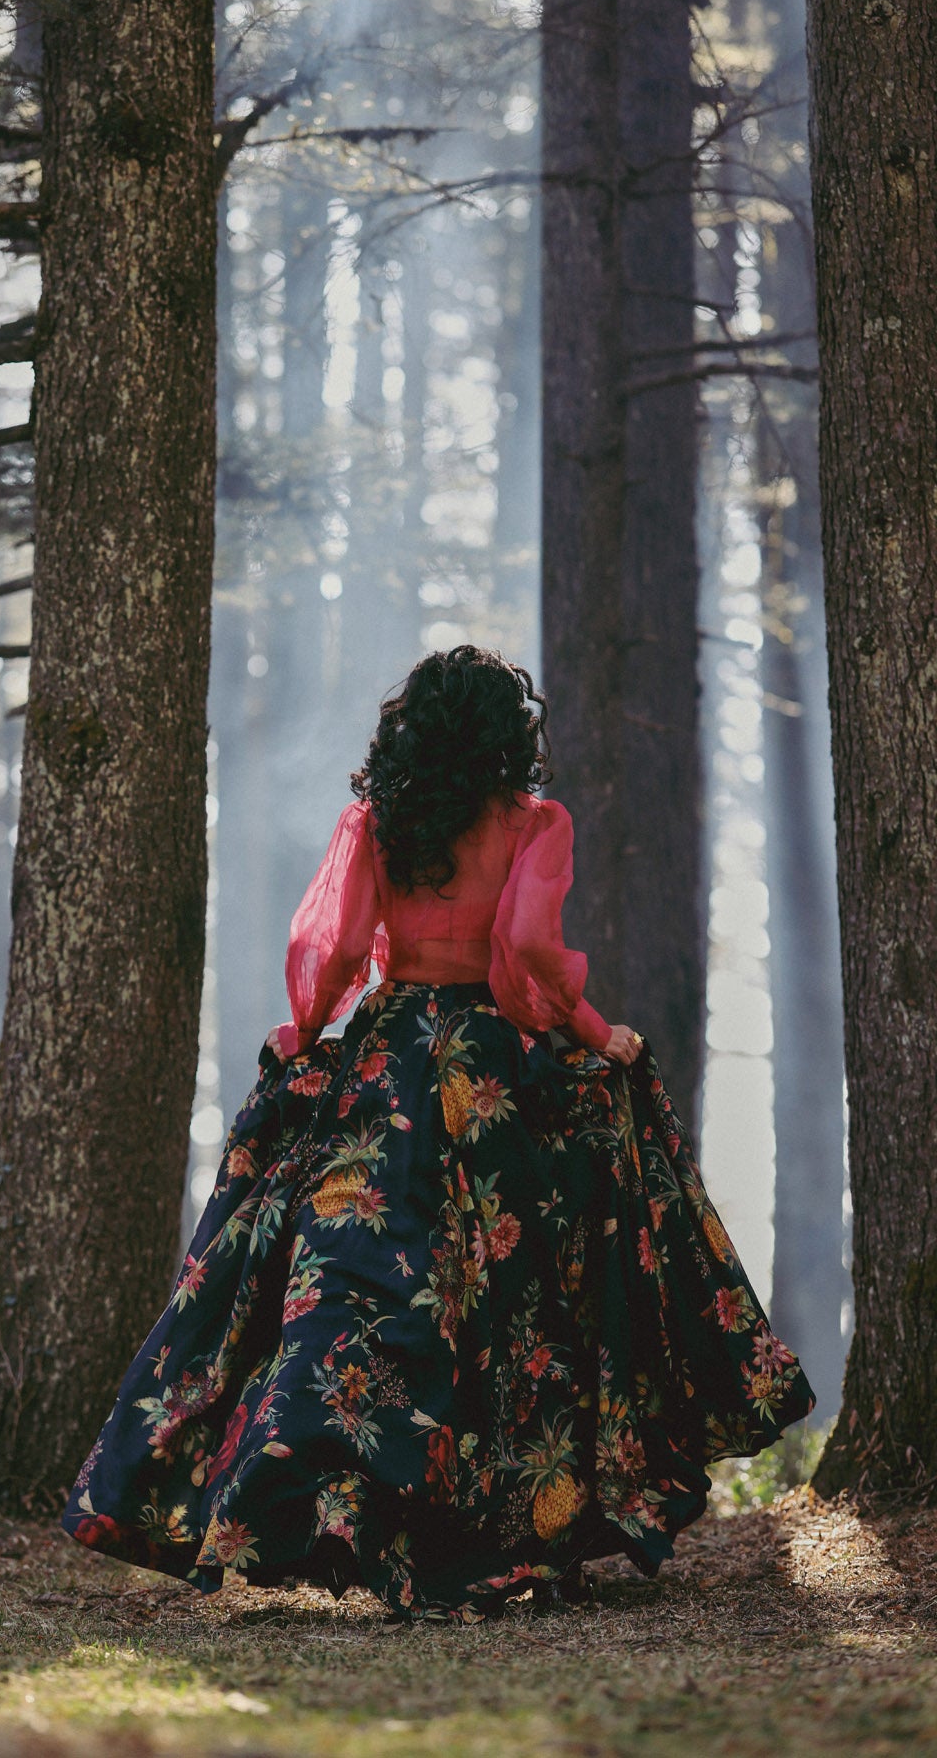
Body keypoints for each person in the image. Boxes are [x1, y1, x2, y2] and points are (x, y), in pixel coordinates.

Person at [62, 645, 814, 1623]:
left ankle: (319, 1497)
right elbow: (534, 945)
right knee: (507, 1297)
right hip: (486, 1071)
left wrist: (304, 1032)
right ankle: (503, 1525)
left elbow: (330, 949)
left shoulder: (379, 821)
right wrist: (594, 1031)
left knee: (353, 1277)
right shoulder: (533, 820)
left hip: (387, 1066)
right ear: (512, 732)